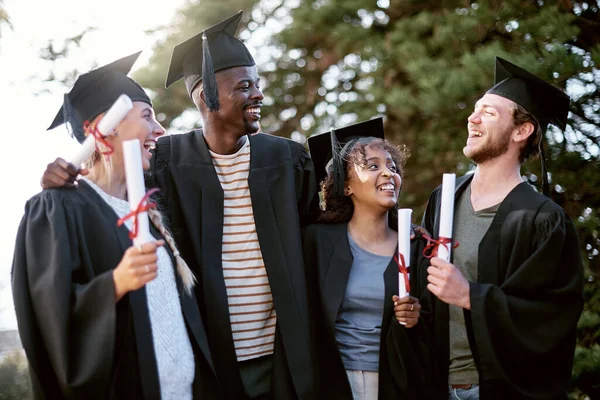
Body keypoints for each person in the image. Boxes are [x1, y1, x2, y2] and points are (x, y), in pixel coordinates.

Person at [40, 12, 319, 400]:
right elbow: (113, 187)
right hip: (211, 362)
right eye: (244, 85)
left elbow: (317, 240)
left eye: (258, 84)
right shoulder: (167, 160)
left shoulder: (288, 159)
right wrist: (64, 174)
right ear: (207, 95)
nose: (258, 94)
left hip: (287, 355)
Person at [13, 52, 220, 399]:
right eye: (146, 116)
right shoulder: (57, 209)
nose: (160, 129)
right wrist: (114, 284)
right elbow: (50, 322)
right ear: (103, 130)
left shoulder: (151, 208)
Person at [421, 57, 584, 399]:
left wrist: (470, 296)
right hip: (433, 385)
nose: (472, 118)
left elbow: (550, 317)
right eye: (475, 109)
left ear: (521, 131)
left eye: (489, 113)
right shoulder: (445, 200)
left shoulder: (542, 219)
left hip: (494, 390)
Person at [303, 118, 437, 400]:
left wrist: (415, 317)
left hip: (395, 382)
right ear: (346, 186)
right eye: (373, 166)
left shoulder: (415, 247)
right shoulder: (316, 242)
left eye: (392, 166)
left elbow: (437, 325)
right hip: (331, 381)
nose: (389, 173)